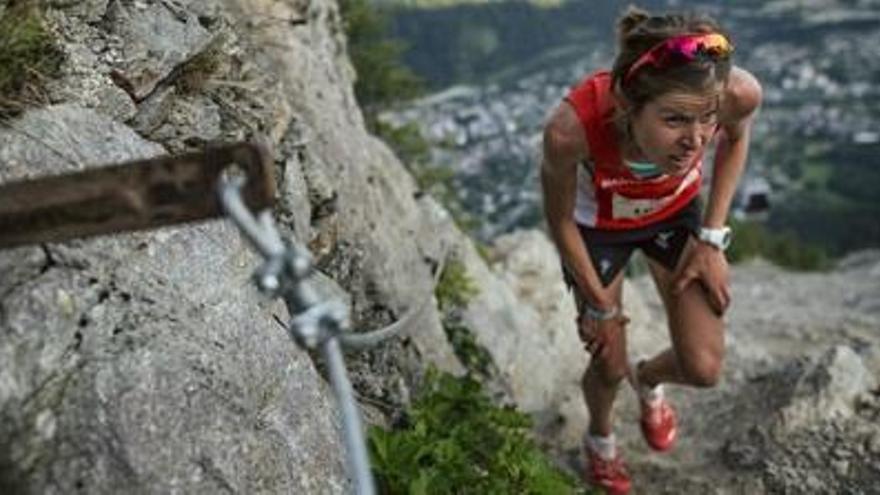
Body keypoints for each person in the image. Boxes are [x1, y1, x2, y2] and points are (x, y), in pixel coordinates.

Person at [540, 6, 762, 494]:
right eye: (675, 119)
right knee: (607, 362)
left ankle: (649, 378)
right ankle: (601, 442)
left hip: (674, 215)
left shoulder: (735, 92)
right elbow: (558, 221)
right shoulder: (570, 130)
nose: (696, 139)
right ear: (627, 104)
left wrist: (711, 238)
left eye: (706, 118)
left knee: (703, 368)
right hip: (596, 227)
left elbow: (736, 139)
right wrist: (598, 304)